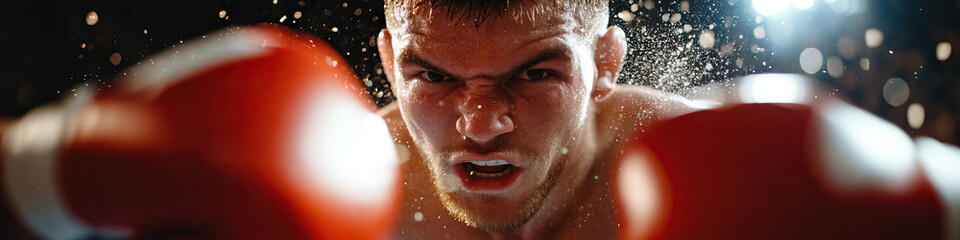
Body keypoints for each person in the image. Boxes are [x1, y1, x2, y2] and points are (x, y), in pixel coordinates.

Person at [374, 0, 695, 238]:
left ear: (604, 64)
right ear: (390, 66)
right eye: (434, 76)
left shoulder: (697, 162)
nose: (481, 129)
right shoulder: (359, 174)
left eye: (534, 75)